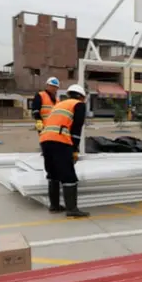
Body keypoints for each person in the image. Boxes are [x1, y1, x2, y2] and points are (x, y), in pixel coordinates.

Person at [40, 84, 89, 218]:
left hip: (45, 140)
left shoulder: (59, 105)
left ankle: (54, 206)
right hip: (60, 141)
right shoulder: (78, 104)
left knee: (53, 174)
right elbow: (76, 129)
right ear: (81, 96)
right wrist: (75, 150)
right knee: (69, 176)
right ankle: (72, 209)